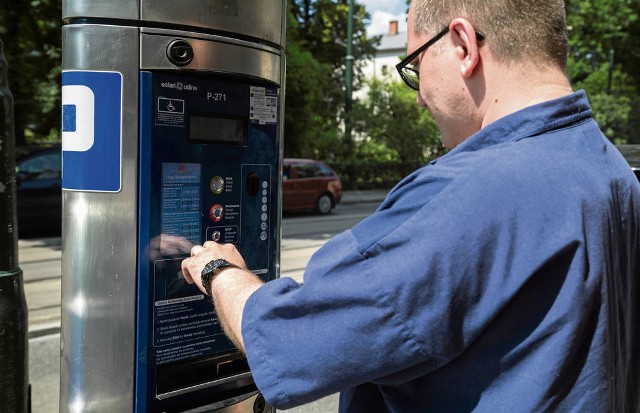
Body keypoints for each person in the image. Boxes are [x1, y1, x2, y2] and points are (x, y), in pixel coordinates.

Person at [181, 0, 640, 411]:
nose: (419, 95)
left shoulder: (466, 195)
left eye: (416, 67)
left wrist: (218, 272)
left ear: (462, 44)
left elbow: (291, 342)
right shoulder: (610, 170)